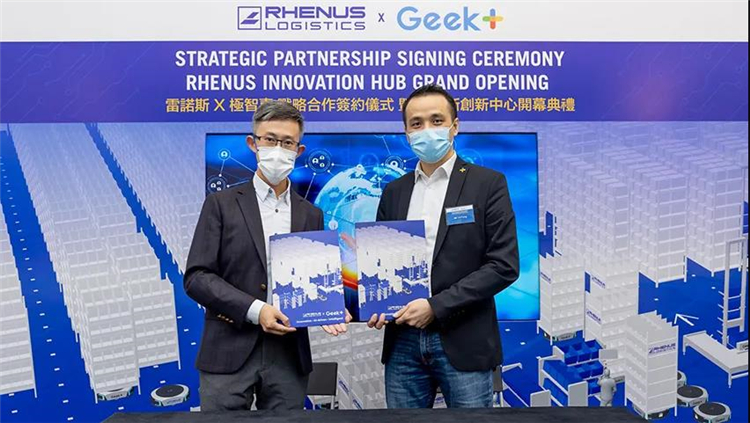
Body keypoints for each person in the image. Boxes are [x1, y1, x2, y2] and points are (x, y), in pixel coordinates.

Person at [185, 100, 350, 411]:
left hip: (288, 353)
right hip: (228, 349)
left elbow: (313, 278)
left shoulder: (311, 214)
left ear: (299, 150)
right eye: (270, 139)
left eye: (287, 143)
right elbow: (197, 278)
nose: (278, 149)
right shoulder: (220, 204)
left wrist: (327, 305)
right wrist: (256, 310)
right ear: (253, 143)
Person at [368, 84, 520, 408]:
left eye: (436, 120)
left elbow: (503, 266)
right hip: (402, 342)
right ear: (406, 133)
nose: (427, 130)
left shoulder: (487, 184)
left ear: (455, 126)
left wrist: (435, 307)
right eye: (417, 123)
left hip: (464, 337)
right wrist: (373, 301)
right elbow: (382, 265)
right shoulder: (394, 192)